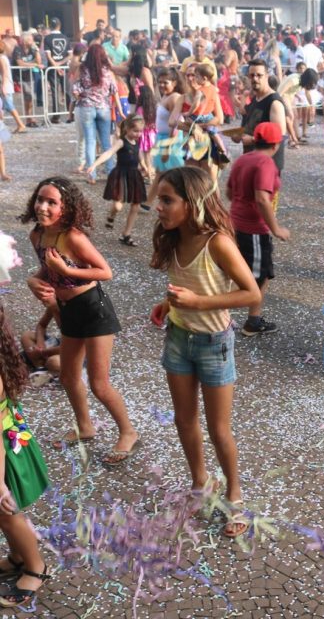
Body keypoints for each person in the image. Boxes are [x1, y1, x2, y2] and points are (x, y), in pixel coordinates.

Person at [150, 167, 260, 537]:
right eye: (159, 199)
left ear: (192, 202)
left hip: (215, 344)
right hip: (178, 338)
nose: (158, 207)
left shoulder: (218, 243)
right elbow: (184, 284)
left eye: (167, 200)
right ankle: (200, 481)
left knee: (219, 429)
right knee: (184, 420)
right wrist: (168, 304)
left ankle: (234, 494)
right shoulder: (173, 238)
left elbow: (251, 294)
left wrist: (198, 303)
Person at [21, 177, 139, 465]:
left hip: (94, 310)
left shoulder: (73, 237)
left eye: (51, 202)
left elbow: (105, 272)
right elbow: (45, 269)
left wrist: (66, 270)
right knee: (68, 376)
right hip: (69, 310)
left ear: (66, 207)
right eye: (40, 199)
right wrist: (33, 280)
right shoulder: (37, 235)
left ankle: (128, 432)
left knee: (99, 384)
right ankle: (85, 427)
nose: (43, 207)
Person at [0, 305, 50, 608]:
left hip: (4, 455)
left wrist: (0, 485)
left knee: (6, 512)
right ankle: (19, 555)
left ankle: (35, 567)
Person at [227, 122, 290, 336]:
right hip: (253, 228)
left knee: (257, 275)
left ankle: (252, 319)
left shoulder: (243, 159)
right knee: (255, 278)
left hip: (236, 223)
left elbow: (229, 192)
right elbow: (262, 199)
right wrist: (276, 228)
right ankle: (211, 308)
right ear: (276, 144)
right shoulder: (265, 163)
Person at [87, 114, 147, 247]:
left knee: (136, 205)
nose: (138, 134)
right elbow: (108, 153)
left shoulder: (137, 142)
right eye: (135, 131)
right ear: (127, 129)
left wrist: (145, 167)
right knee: (117, 206)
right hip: (122, 174)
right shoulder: (121, 142)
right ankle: (111, 215)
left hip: (134, 175)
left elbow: (140, 155)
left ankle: (126, 234)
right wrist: (95, 164)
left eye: (140, 131)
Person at [72, 44, 123, 183]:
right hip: (104, 108)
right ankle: (111, 172)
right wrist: (120, 110)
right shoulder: (108, 71)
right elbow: (114, 91)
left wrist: (81, 98)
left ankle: (91, 175)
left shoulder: (82, 69)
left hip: (86, 107)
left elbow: (75, 89)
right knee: (106, 142)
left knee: (90, 141)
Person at [235, 59, 287, 173]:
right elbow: (251, 125)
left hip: (267, 165)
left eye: (259, 75)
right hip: (252, 161)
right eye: (252, 75)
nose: (255, 78)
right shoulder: (256, 98)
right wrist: (239, 134)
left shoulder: (274, 102)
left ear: (267, 76)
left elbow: (279, 136)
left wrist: (252, 140)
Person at [146, 67, 185, 210]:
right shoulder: (166, 96)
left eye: (165, 82)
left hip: (170, 139)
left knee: (172, 173)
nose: (162, 85)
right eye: (160, 82)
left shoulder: (174, 98)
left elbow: (176, 125)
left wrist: (168, 147)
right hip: (162, 138)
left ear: (174, 83)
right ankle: (148, 203)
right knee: (161, 172)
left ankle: (180, 201)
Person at [20, 305, 61, 378]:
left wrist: (42, 352)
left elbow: (69, 348)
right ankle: (40, 367)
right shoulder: (53, 305)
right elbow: (41, 325)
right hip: (60, 343)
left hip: (74, 353)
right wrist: (40, 342)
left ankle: (44, 364)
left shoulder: (76, 313)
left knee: (54, 362)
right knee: (26, 336)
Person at [43, 17, 70, 123]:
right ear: (60, 26)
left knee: (55, 92)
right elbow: (70, 55)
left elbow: (48, 56)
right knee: (66, 91)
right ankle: (70, 114)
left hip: (52, 68)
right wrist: (60, 64)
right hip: (64, 67)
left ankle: (56, 116)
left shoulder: (47, 38)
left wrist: (56, 66)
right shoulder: (65, 38)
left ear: (50, 26)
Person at [0, 41, 26, 133]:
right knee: (3, 107)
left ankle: (20, 124)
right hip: (5, 84)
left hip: (5, 85)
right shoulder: (3, 57)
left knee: (9, 106)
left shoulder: (1, 58)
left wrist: (3, 86)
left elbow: (4, 73)